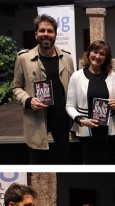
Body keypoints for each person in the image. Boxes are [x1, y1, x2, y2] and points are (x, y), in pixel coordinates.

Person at [11, 14, 74, 164]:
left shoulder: (66, 58)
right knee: (37, 162)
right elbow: (16, 87)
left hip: (62, 121)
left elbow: (73, 86)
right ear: (36, 34)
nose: (46, 34)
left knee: (63, 161)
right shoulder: (23, 58)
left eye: (50, 31)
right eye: (42, 30)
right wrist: (27, 100)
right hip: (36, 120)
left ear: (55, 35)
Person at [66, 40, 115, 164]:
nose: (97, 56)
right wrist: (81, 120)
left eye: (102, 54)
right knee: (91, 165)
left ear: (106, 58)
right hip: (87, 130)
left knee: (110, 165)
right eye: (95, 52)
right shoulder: (76, 76)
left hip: (109, 131)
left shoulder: (113, 76)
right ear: (88, 53)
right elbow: (69, 106)